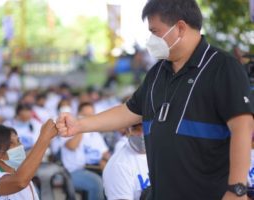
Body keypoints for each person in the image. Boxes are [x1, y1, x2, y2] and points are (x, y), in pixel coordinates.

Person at [56, 0, 254, 199]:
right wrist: (80, 125)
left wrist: (237, 189)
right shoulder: (157, 73)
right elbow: (129, 111)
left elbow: (243, 127)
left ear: (180, 28)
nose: (151, 39)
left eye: (155, 31)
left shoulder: (222, 67)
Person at [0, 119, 57, 199]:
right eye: (11, 144)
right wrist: (44, 137)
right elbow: (19, 182)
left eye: (18, 141)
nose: (19, 147)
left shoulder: (20, 173)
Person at [60, 103, 105, 200]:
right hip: (71, 173)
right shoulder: (68, 128)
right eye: (86, 116)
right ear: (78, 115)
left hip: (92, 168)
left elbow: (104, 153)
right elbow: (71, 146)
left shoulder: (95, 133)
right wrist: (81, 127)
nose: (89, 118)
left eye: (91, 115)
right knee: (96, 183)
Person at [103, 123, 150, 200]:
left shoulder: (158, 154)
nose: (142, 134)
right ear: (128, 131)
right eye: (136, 129)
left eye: (146, 128)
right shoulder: (119, 165)